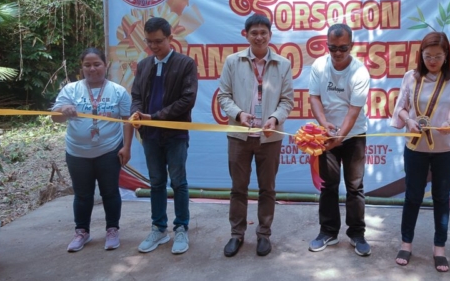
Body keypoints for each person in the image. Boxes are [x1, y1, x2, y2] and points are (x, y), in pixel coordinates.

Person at [390, 32, 450, 272]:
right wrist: (408, 121)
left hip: (445, 148)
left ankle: (440, 247)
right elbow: (401, 108)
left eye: (438, 56)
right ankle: (406, 243)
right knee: (412, 196)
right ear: (421, 56)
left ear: (447, 55)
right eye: (428, 56)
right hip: (416, 147)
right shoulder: (411, 77)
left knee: (441, 197)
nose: (433, 61)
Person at [217, 13, 294, 257]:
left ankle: (264, 234)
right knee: (238, 188)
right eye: (254, 33)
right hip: (239, 136)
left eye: (263, 32)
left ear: (270, 35)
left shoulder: (283, 64)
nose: (259, 37)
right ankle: (236, 235)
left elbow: (287, 100)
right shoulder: (233, 61)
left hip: (269, 137)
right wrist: (239, 115)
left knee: (267, 189)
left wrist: (274, 119)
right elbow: (223, 96)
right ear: (246, 35)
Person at [52, 47, 133, 252]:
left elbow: (128, 121)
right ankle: (82, 232)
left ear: (105, 65)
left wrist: (126, 147)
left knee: (110, 192)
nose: (92, 68)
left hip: (108, 151)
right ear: (82, 68)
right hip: (77, 153)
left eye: (97, 64)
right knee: (82, 194)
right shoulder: (71, 90)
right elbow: (55, 117)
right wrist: (63, 111)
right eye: (87, 65)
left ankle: (112, 230)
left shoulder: (118, 91)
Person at [131, 16, 198, 255]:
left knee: (178, 182)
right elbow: (136, 95)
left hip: (175, 135)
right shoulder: (144, 65)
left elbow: (187, 100)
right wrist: (136, 114)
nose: (154, 46)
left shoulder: (185, 64)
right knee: (156, 182)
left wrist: (156, 117)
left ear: (171, 38)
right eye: (149, 42)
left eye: (159, 41)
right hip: (150, 136)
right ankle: (159, 229)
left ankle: (181, 228)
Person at [307, 23, 372, 256]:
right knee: (328, 185)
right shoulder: (319, 66)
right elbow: (313, 98)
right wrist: (325, 126)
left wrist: (340, 136)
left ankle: (357, 234)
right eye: (332, 48)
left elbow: (354, 111)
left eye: (343, 48)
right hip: (327, 134)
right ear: (327, 45)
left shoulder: (360, 72)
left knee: (355, 187)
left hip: (354, 134)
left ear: (351, 46)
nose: (337, 53)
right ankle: (328, 232)